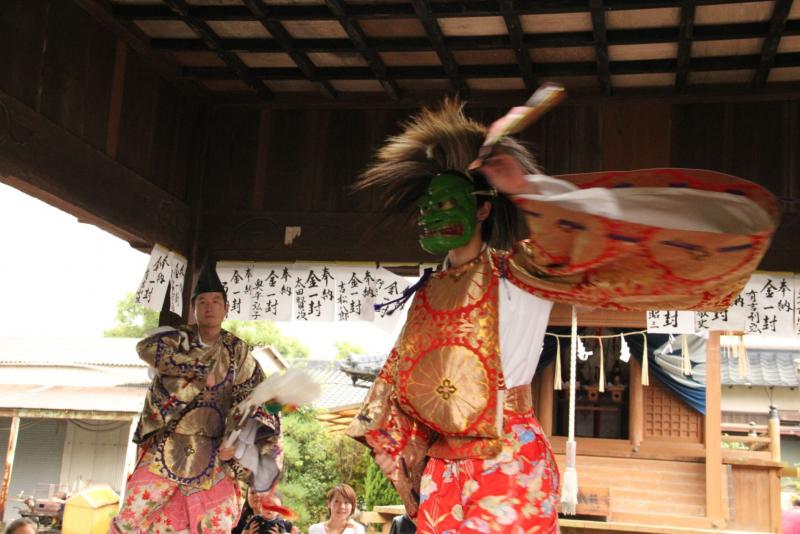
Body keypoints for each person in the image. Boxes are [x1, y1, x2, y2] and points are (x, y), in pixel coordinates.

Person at [347, 98, 778, 533]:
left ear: (482, 208)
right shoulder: (424, 295)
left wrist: (525, 187)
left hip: (507, 457)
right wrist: (392, 445)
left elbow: (585, 234)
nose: (428, 217)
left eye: (442, 205)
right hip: (442, 465)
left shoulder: (519, 276)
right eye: (425, 208)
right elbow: (399, 382)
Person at [111, 260, 283, 533]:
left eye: (216, 301)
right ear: (194, 308)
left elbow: (254, 400)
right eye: (202, 301)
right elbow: (145, 347)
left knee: (216, 524)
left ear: (226, 308)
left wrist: (236, 440)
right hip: (167, 444)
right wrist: (199, 368)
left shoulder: (237, 350)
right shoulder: (178, 339)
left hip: (215, 450)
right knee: (130, 520)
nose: (209, 307)